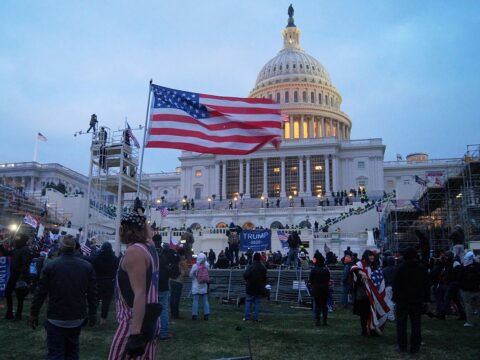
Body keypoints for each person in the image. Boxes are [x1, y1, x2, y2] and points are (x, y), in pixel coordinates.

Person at [29, 235, 97, 360]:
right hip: (76, 317)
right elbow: (92, 294)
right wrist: (92, 314)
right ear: (75, 248)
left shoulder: (51, 265)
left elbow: (40, 293)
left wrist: (34, 314)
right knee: (72, 353)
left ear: (60, 247)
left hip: (56, 317)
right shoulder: (86, 266)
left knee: (56, 354)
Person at [108, 211, 160, 359]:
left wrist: (135, 333)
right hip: (149, 319)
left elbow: (140, 293)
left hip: (133, 321)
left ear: (128, 230)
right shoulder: (149, 247)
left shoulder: (134, 252)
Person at [392, 247, 430, 354]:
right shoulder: (422, 268)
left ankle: (402, 346)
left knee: (401, 324)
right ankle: (415, 347)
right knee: (416, 324)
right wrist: (426, 300)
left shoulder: (400, 268)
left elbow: (396, 285)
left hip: (402, 300)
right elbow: (426, 285)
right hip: (417, 300)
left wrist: (395, 298)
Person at [351, 250, 390, 336]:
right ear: (366, 256)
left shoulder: (374, 266)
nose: (372, 257)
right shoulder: (361, 264)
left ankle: (372, 328)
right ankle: (364, 330)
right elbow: (353, 268)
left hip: (374, 294)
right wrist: (362, 273)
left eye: (373, 255)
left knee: (372, 312)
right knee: (364, 313)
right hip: (364, 294)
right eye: (370, 255)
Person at [3, 234, 31, 321]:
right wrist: (1, 246)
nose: (16, 240)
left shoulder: (25, 250)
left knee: (20, 296)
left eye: (18, 239)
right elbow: (7, 253)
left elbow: (25, 263)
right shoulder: (17, 249)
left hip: (20, 276)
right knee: (8, 292)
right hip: (14, 275)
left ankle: (18, 315)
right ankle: (9, 312)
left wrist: (22, 275)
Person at [91, 242, 119, 325]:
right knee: (106, 302)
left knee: (95, 301)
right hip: (109, 282)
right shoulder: (114, 259)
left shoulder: (97, 258)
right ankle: (103, 319)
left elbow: (92, 268)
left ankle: (93, 317)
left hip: (98, 282)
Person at [243, 252, 267, 322]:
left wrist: (248, 280)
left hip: (250, 287)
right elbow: (265, 278)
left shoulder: (250, 267)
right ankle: (256, 318)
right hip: (259, 288)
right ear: (260, 258)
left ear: (253, 258)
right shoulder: (263, 267)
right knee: (257, 303)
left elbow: (245, 275)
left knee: (248, 302)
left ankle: (247, 317)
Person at [309, 252, 330, 326]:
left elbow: (310, 279)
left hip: (316, 289)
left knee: (317, 305)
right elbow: (328, 279)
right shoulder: (326, 269)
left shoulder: (314, 269)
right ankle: (325, 321)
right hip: (325, 288)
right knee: (324, 305)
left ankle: (317, 320)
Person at [460, 251, 480, 327]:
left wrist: (462, 286)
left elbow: (460, 278)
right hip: (477, 289)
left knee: (468, 306)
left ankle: (470, 322)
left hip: (467, 290)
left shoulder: (464, 267)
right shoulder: (478, 266)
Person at [190, 253, 210, 320]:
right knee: (205, 300)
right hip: (204, 285)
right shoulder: (207, 265)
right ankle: (206, 314)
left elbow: (191, 274)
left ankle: (194, 315)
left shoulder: (195, 266)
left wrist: (194, 278)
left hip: (196, 284)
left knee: (195, 300)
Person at [170, 248, 189, 320]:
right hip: (179, 281)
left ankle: (172, 313)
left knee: (172, 297)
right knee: (176, 299)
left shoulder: (174, 259)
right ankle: (176, 314)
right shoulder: (182, 261)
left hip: (172, 280)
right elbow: (186, 272)